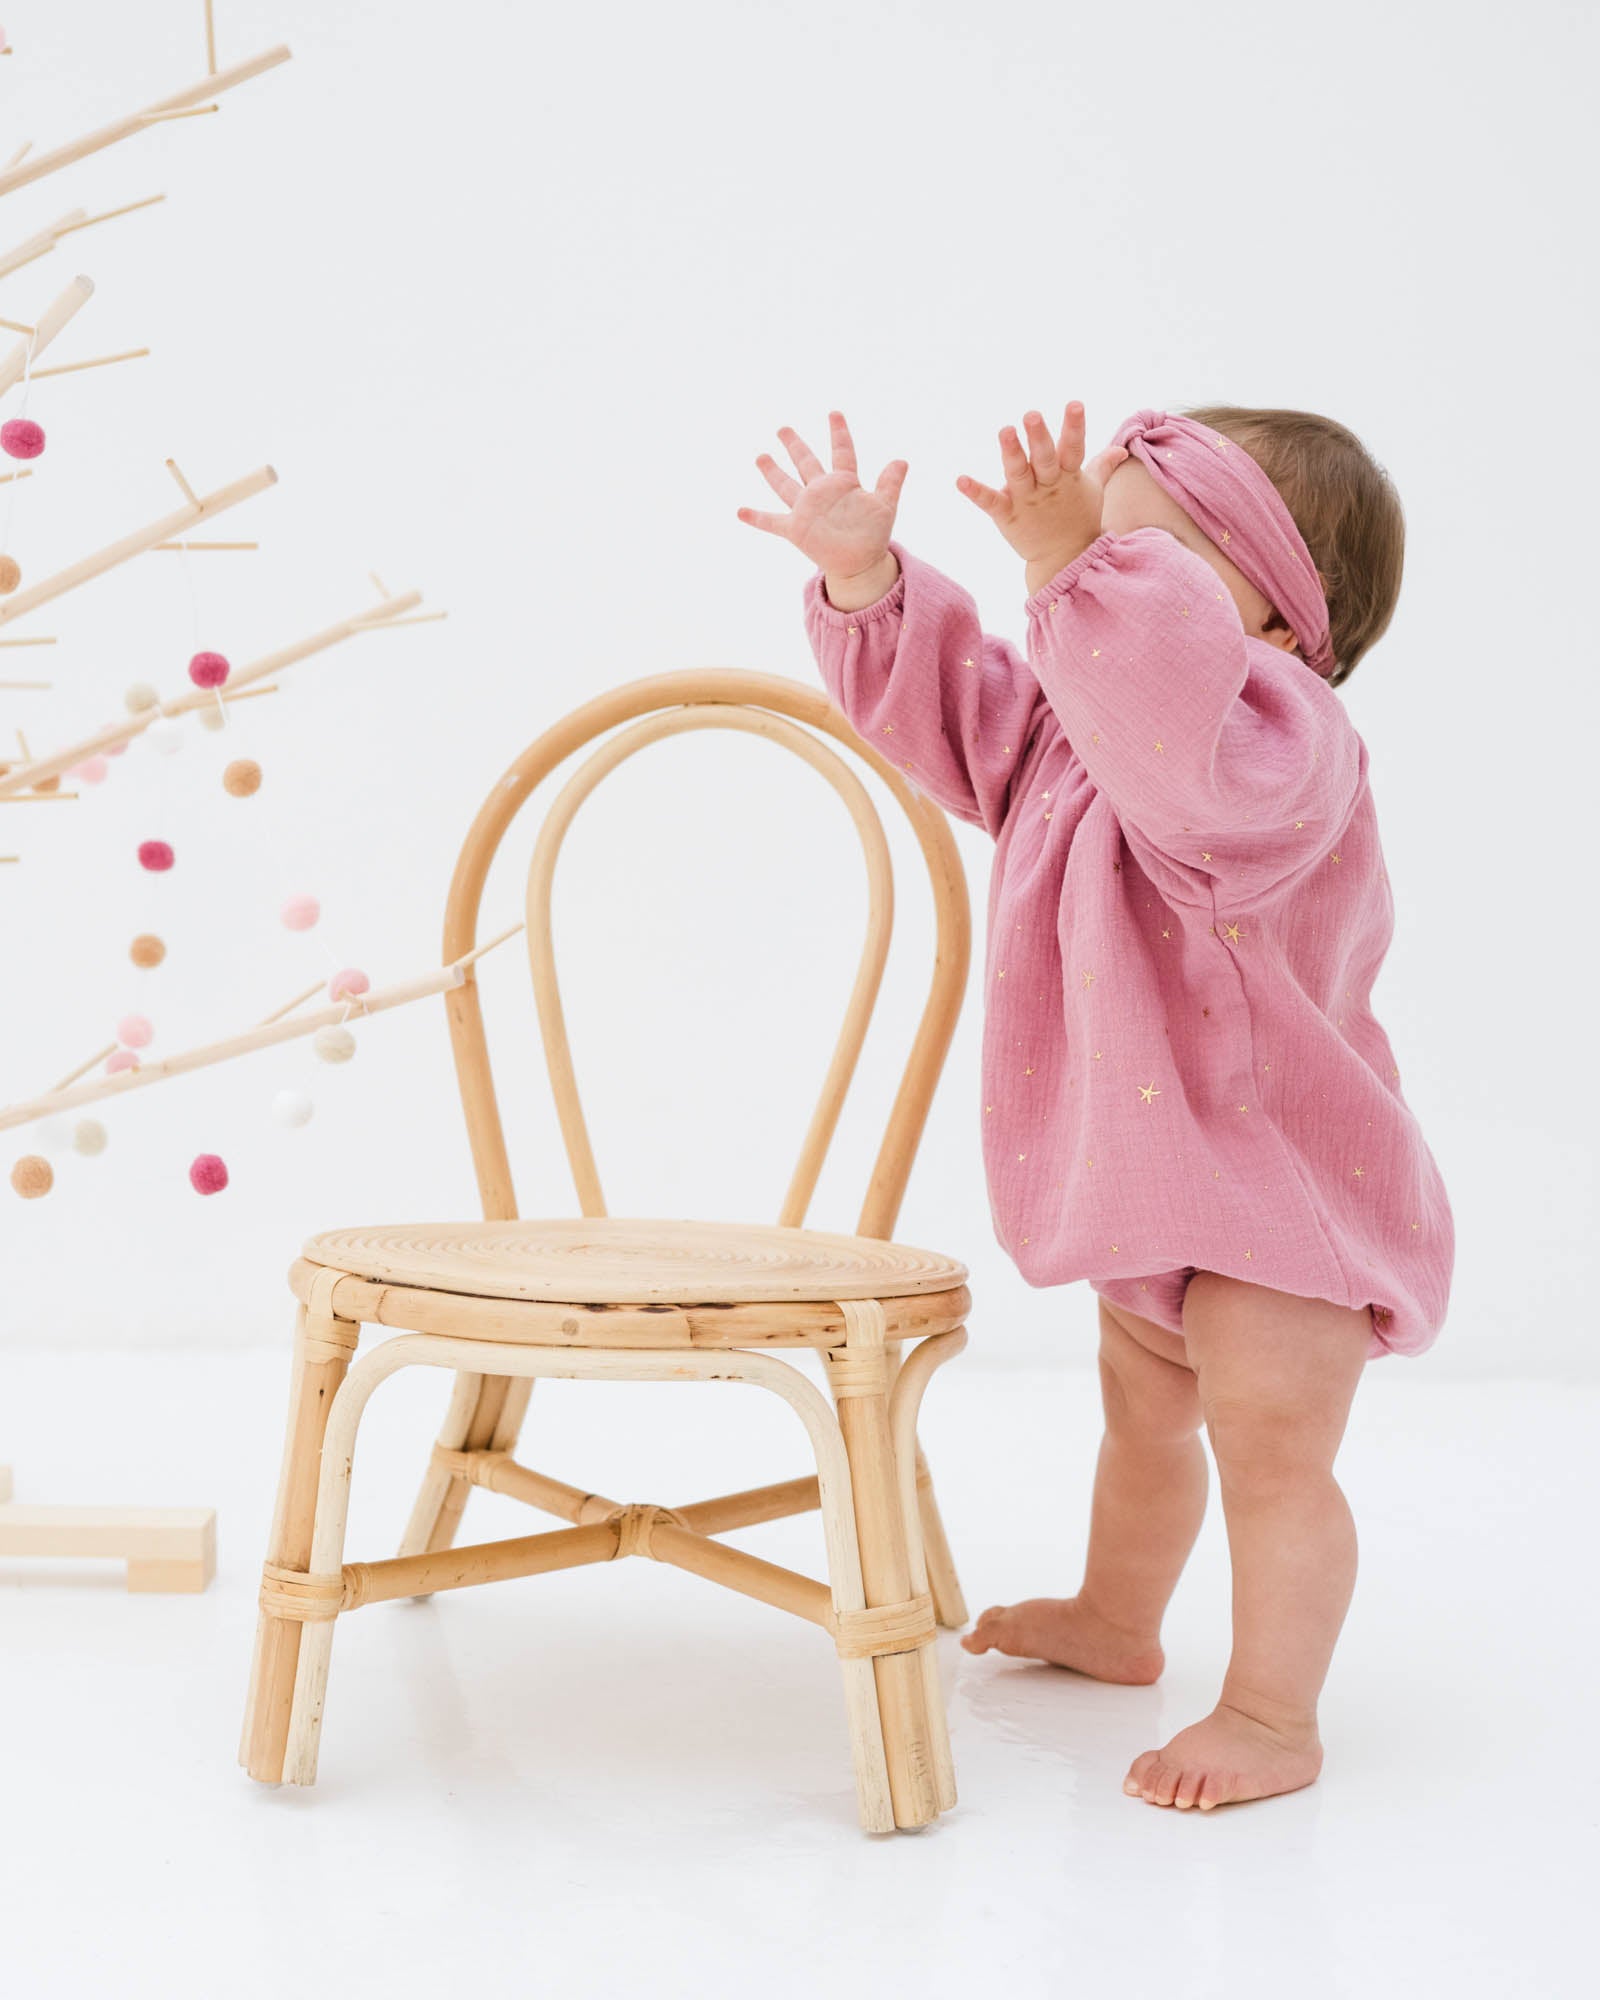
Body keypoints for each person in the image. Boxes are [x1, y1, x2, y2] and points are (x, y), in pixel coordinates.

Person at [736, 402, 1454, 1811]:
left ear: (1279, 604)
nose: (1090, 576)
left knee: (1270, 1450)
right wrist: (872, 587)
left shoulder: (1280, 743)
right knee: (1142, 1416)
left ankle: (1269, 1711)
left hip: (1282, 1182)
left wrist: (1075, 573)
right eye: (1096, 551)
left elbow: (1178, 749)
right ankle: (1118, 1621)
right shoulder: (1085, 732)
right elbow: (967, 718)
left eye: (1151, 557)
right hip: (1161, 1167)